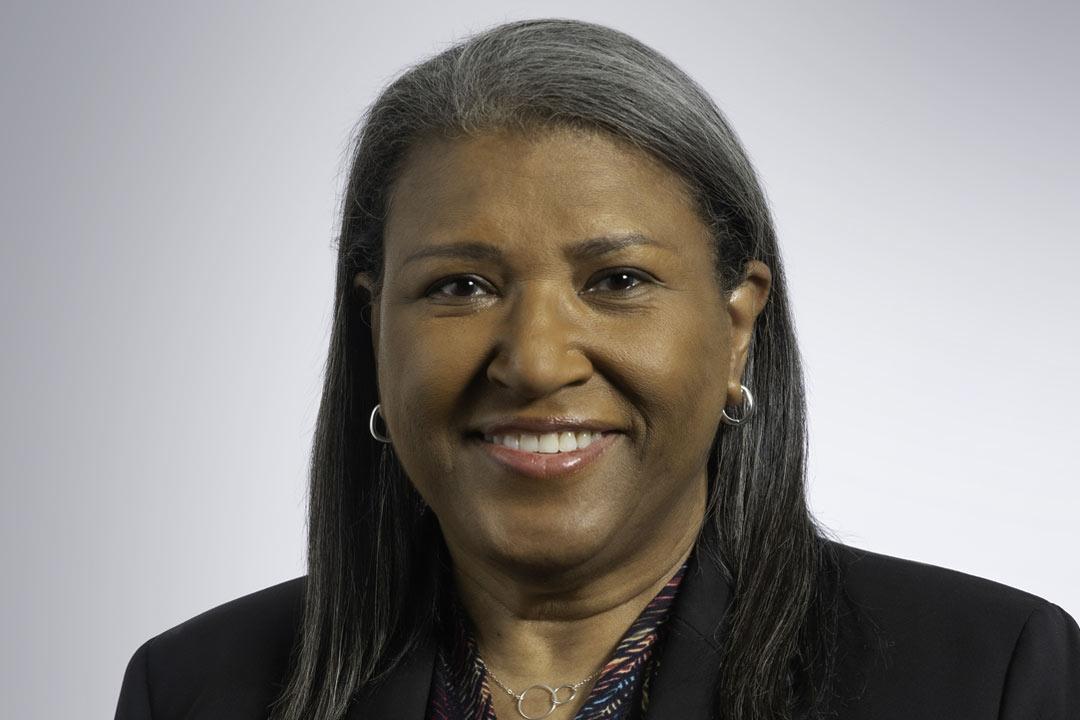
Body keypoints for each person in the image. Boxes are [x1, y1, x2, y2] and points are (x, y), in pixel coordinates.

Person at [114, 17, 1080, 720]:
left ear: (737, 326)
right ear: (376, 330)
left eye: (616, 279)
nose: (534, 361)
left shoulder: (986, 676)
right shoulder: (198, 688)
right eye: (458, 286)